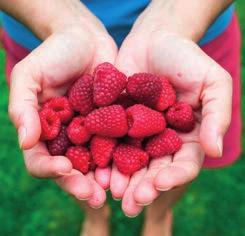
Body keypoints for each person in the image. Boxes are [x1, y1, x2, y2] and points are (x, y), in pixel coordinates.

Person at [0, 0, 241, 235]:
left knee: (182, 162)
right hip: (45, 37)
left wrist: (173, 20)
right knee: (70, 171)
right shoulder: (91, 108)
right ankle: (95, 215)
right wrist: (64, 21)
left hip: (191, 31)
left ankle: (158, 215)